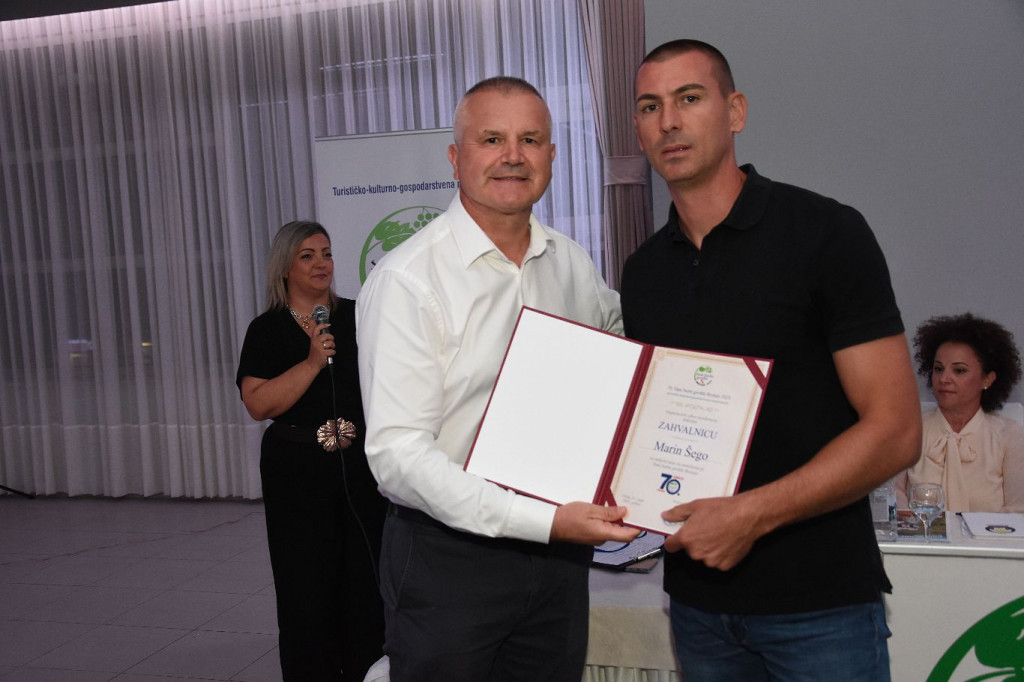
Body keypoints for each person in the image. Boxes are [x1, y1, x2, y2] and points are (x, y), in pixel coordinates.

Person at [620, 40, 921, 681]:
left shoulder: (825, 233)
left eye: (689, 98)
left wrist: (750, 516)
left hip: (821, 607)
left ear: (735, 111)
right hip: (698, 609)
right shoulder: (643, 273)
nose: (668, 121)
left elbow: (896, 430)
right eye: (649, 106)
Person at [355, 76, 639, 681]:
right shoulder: (408, 280)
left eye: (530, 140)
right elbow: (398, 457)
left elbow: (621, 357)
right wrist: (545, 521)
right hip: (449, 559)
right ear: (455, 157)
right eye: (491, 139)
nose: (513, 155)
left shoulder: (571, 262)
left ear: (551, 156)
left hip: (558, 557)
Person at [236, 221, 386, 681]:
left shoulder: (359, 315)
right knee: (306, 583)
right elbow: (257, 404)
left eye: (326, 253)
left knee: (364, 581)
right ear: (285, 267)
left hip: (359, 468)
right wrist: (311, 363)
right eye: (307, 255)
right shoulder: (267, 329)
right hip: (296, 472)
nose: (321, 263)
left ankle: (367, 671)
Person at [895, 313, 1024, 512]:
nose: (944, 379)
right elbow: (892, 496)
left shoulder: (1010, 435)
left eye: (959, 371)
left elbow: (1019, 509)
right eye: (939, 369)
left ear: (987, 379)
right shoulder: (910, 429)